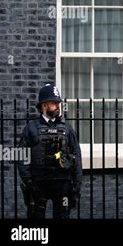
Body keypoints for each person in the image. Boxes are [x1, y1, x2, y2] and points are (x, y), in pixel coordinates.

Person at [18, 84, 82, 219]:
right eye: (54, 103)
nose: (58, 106)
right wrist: (29, 183)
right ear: (44, 106)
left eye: (59, 102)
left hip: (62, 184)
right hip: (39, 184)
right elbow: (22, 158)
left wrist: (76, 186)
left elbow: (77, 158)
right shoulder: (31, 128)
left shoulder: (68, 129)